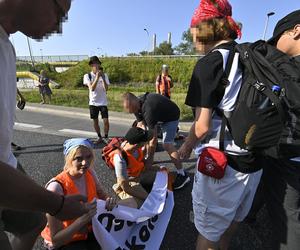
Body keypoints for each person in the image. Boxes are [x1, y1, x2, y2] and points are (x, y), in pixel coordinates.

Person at [0, 1, 91, 249]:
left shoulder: (6, 45)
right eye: (60, 15)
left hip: (6, 161)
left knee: (33, 222)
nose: (59, 28)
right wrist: (57, 205)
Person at [178, 1, 262, 249]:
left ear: (204, 28)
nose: (191, 35)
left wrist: (186, 147)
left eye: (193, 29)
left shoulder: (210, 63)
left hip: (223, 167)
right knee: (229, 226)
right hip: (254, 162)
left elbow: (202, 127)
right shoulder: (251, 56)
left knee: (208, 236)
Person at [256, 10, 300, 250]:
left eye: (277, 38)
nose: (275, 46)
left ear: (296, 30)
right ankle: (251, 214)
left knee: (287, 218)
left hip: (288, 155)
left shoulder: (288, 70)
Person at [41, 138, 118, 250]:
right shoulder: (56, 187)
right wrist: (83, 220)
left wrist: (108, 201)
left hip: (88, 230)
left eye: (88, 157)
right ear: (69, 159)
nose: (85, 163)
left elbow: (101, 193)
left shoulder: (90, 172)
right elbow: (56, 239)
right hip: (66, 240)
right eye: (78, 158)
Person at [122, 92, 190, 190]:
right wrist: (142, 154)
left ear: (134, 104)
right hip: (158, 114)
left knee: (167, 144)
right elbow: (142, 129)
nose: (134, 113)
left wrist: (150, 159)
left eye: (133, 110)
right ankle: (144, 158)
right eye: (131, 112)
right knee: (144, 134)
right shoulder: (136, 105)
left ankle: (182, 174)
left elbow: (153, 140)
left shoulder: (149, 110)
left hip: (171, 116)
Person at [110, 127, 163, 208]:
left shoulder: (135, 147)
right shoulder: (120, 159)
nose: (147, 141)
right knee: (145, 203)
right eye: (145, 140)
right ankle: (117, 194)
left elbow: (142, 162)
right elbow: (126, 187)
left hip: (139, 174)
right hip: (129, 182)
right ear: (137, 144)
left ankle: (142, 187)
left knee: (162, 173)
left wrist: (155, 168)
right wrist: (148, 198)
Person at [84, 57, 110, 144]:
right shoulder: (87, 76)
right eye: (95, 64)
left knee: (106, 121)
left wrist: (102, 78)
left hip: (103, 102)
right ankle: (99, 137)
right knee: (95, 121)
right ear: (91, 65)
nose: (97, 65)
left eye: (98, 63)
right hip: (93, 103)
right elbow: (92, 88)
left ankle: (106, 137)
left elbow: (106, 89)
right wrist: (97, 77)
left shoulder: (104, 75)